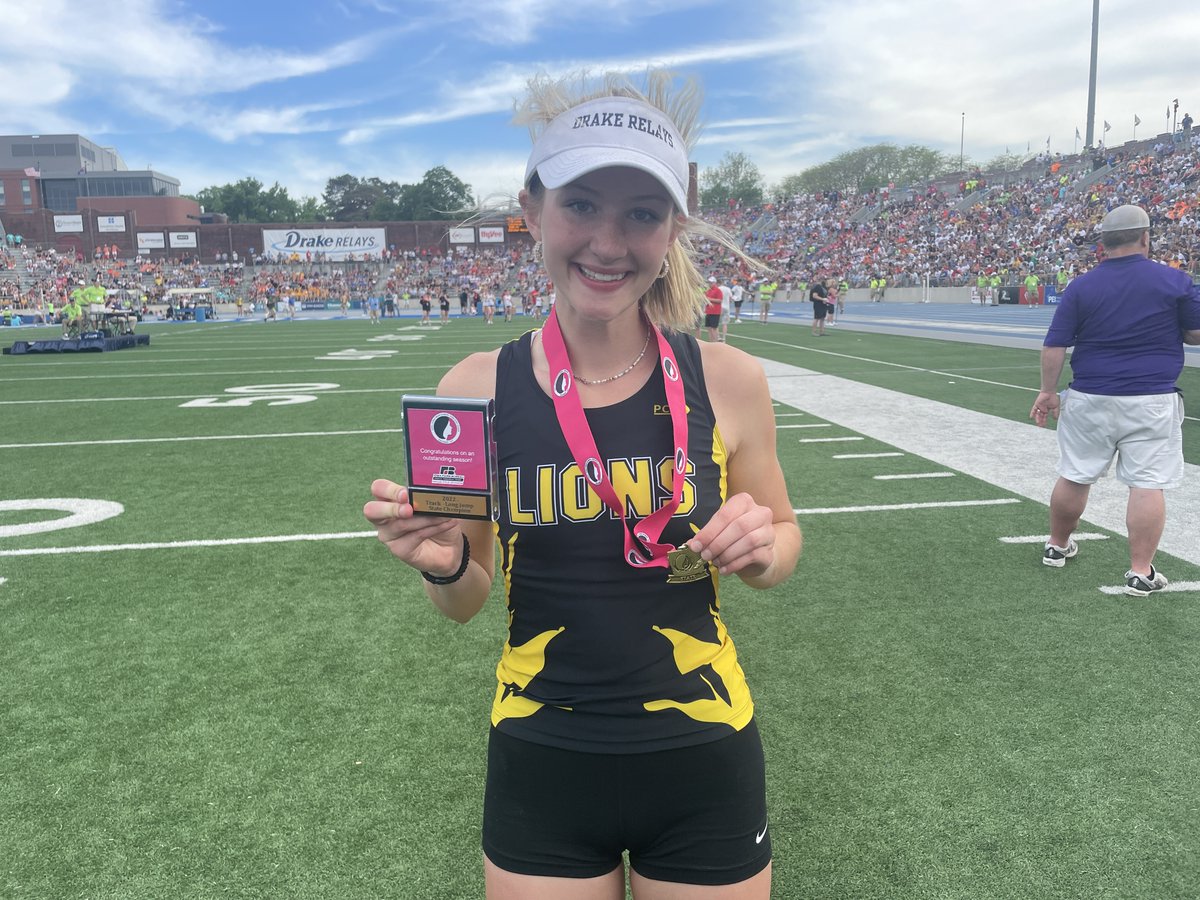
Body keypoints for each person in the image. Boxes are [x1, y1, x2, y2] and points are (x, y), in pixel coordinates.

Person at [364, 70, 800, 900]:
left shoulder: (730, 378)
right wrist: (442, 562)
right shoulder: (472, 391)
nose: (609, 241)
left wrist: (761, 549)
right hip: (543, 759)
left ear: (673, 225)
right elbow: (466, 599)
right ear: (531, 209)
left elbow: (784, 535)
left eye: (641, 213)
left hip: (704, 750)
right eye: (581, 205)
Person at [1030, 204, 1200, 595]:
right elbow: (1196, 333)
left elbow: (1055, 345)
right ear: (1145, 237)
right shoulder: (1173, 280)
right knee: (1146, 483)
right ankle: (1141, 571)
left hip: (1090, 394)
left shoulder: (1081, 286)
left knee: (1075, 472)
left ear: (1102, 244)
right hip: (1151, 397)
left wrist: (1047, 391)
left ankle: (1056, 546)